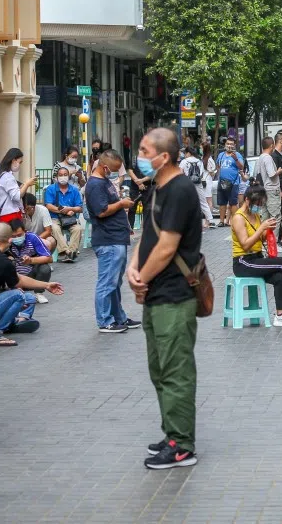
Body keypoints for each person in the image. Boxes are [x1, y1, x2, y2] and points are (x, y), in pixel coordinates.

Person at [128, 128, 203, 470]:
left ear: (164, 156)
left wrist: (141, 278)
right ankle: (171, 432)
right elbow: (149, 234)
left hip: (174, 295)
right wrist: (133, 267)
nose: (139, 156)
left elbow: (168, 246)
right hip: (156, 294)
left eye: (144, 150)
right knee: (159, 370)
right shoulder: (158, 187)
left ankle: (181, 445)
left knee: (175, 371)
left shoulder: (181, 190)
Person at [0, 222, 64, 346]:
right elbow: (19, 282)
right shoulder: (2, 261)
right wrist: (46, 285)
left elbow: (19, 278)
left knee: (29, 297)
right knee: (19, 295)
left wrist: (46, 285)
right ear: (10, 240)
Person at [230, 185, 282, 327]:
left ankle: (280, 316)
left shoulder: (255, 215)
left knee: (280, 277)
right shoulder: (238, 218)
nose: (258, 207)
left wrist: (267, 230)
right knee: (281, 262)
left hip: (256, 258)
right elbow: (245, 244)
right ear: (247, 200)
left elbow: (259, 238)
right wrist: (261, 229)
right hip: (243, 262)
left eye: (260, 204)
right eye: (256, 204)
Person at [86, 149, 139, 334]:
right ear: (105, 166)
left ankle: (119, 317)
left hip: (117, 237)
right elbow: (101, 211)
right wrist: (122, 204)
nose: (116, 172)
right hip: (107, 240)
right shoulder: (94, 185)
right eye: (114, 169)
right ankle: (104, 320)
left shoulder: (105, 181)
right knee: (107, 281)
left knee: (115, 282)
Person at [7, 219, 53, 304]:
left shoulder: (32, 238)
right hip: (15, 277)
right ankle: (14, 292)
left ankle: (39, 293)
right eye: (13, 236)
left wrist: (31, 260)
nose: (17, 238)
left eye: (19, 235)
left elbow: (49, 258)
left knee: (45, 268)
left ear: (25, 231)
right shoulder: (7, 242)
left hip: (31, 274)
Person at [44, 166, 84, 262]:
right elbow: (48, 205)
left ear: (69, 176)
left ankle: (70, 253)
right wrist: (63, 210)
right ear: (57, 177)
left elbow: (80, 208)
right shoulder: (51, 189)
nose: (63, 177)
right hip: (55, 218)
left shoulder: (74, 190)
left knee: (78, 229)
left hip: (70, 218)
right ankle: (67, 252)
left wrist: (70, 209)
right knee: (54, 228)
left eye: (65, 175)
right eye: (60, 175)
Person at [0, 148, 35, 224]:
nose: (20, 165)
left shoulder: (2, 175)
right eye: (20, 162)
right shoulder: (7, 176)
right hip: (10, 215)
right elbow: (17, 196)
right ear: (13, 160)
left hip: (6, 214)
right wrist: (27, 184)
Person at [179, 145, 213, 231]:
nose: (185, 155)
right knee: (203, 202)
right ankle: (210, 220)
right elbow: (201, 174)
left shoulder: (184, 161)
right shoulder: (199, 161)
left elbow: (180, 173)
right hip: (198, 184)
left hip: (187, 184)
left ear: (188, 153)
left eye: (185, 153)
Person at [214, 137, 243, 227]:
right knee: (222, 202)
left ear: (234, 145)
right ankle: (221, 221)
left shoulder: (237, 155)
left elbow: (241, 167)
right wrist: (220, 175)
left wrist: (236, 159)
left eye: (231, 144)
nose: (229, 146)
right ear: (225, 145)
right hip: (222, 182)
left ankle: (235, 222)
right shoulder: (221, 155)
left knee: (233, 203)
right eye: (228, 144)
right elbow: (218, 166)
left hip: (233, 183)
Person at [256, 137, 282, 227]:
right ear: (272, 146)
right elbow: (272, 174)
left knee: (265, 217)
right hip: (271, 190)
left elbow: (256, 174)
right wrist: (279, 171)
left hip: (263, 189)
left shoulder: (260, 157)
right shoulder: (268, 158)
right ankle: (273, 240)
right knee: (275, 217)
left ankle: (265, 240)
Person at [201, 142, 218, 223]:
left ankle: (208, 221)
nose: (200, 149)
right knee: (206, 201)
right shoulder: (204, 158)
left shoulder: (209, 159)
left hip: (207, 182)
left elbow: (212, 172)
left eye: (201, 148)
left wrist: (212, 172)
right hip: (204, 182)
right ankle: (207, 220)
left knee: (208, 201)